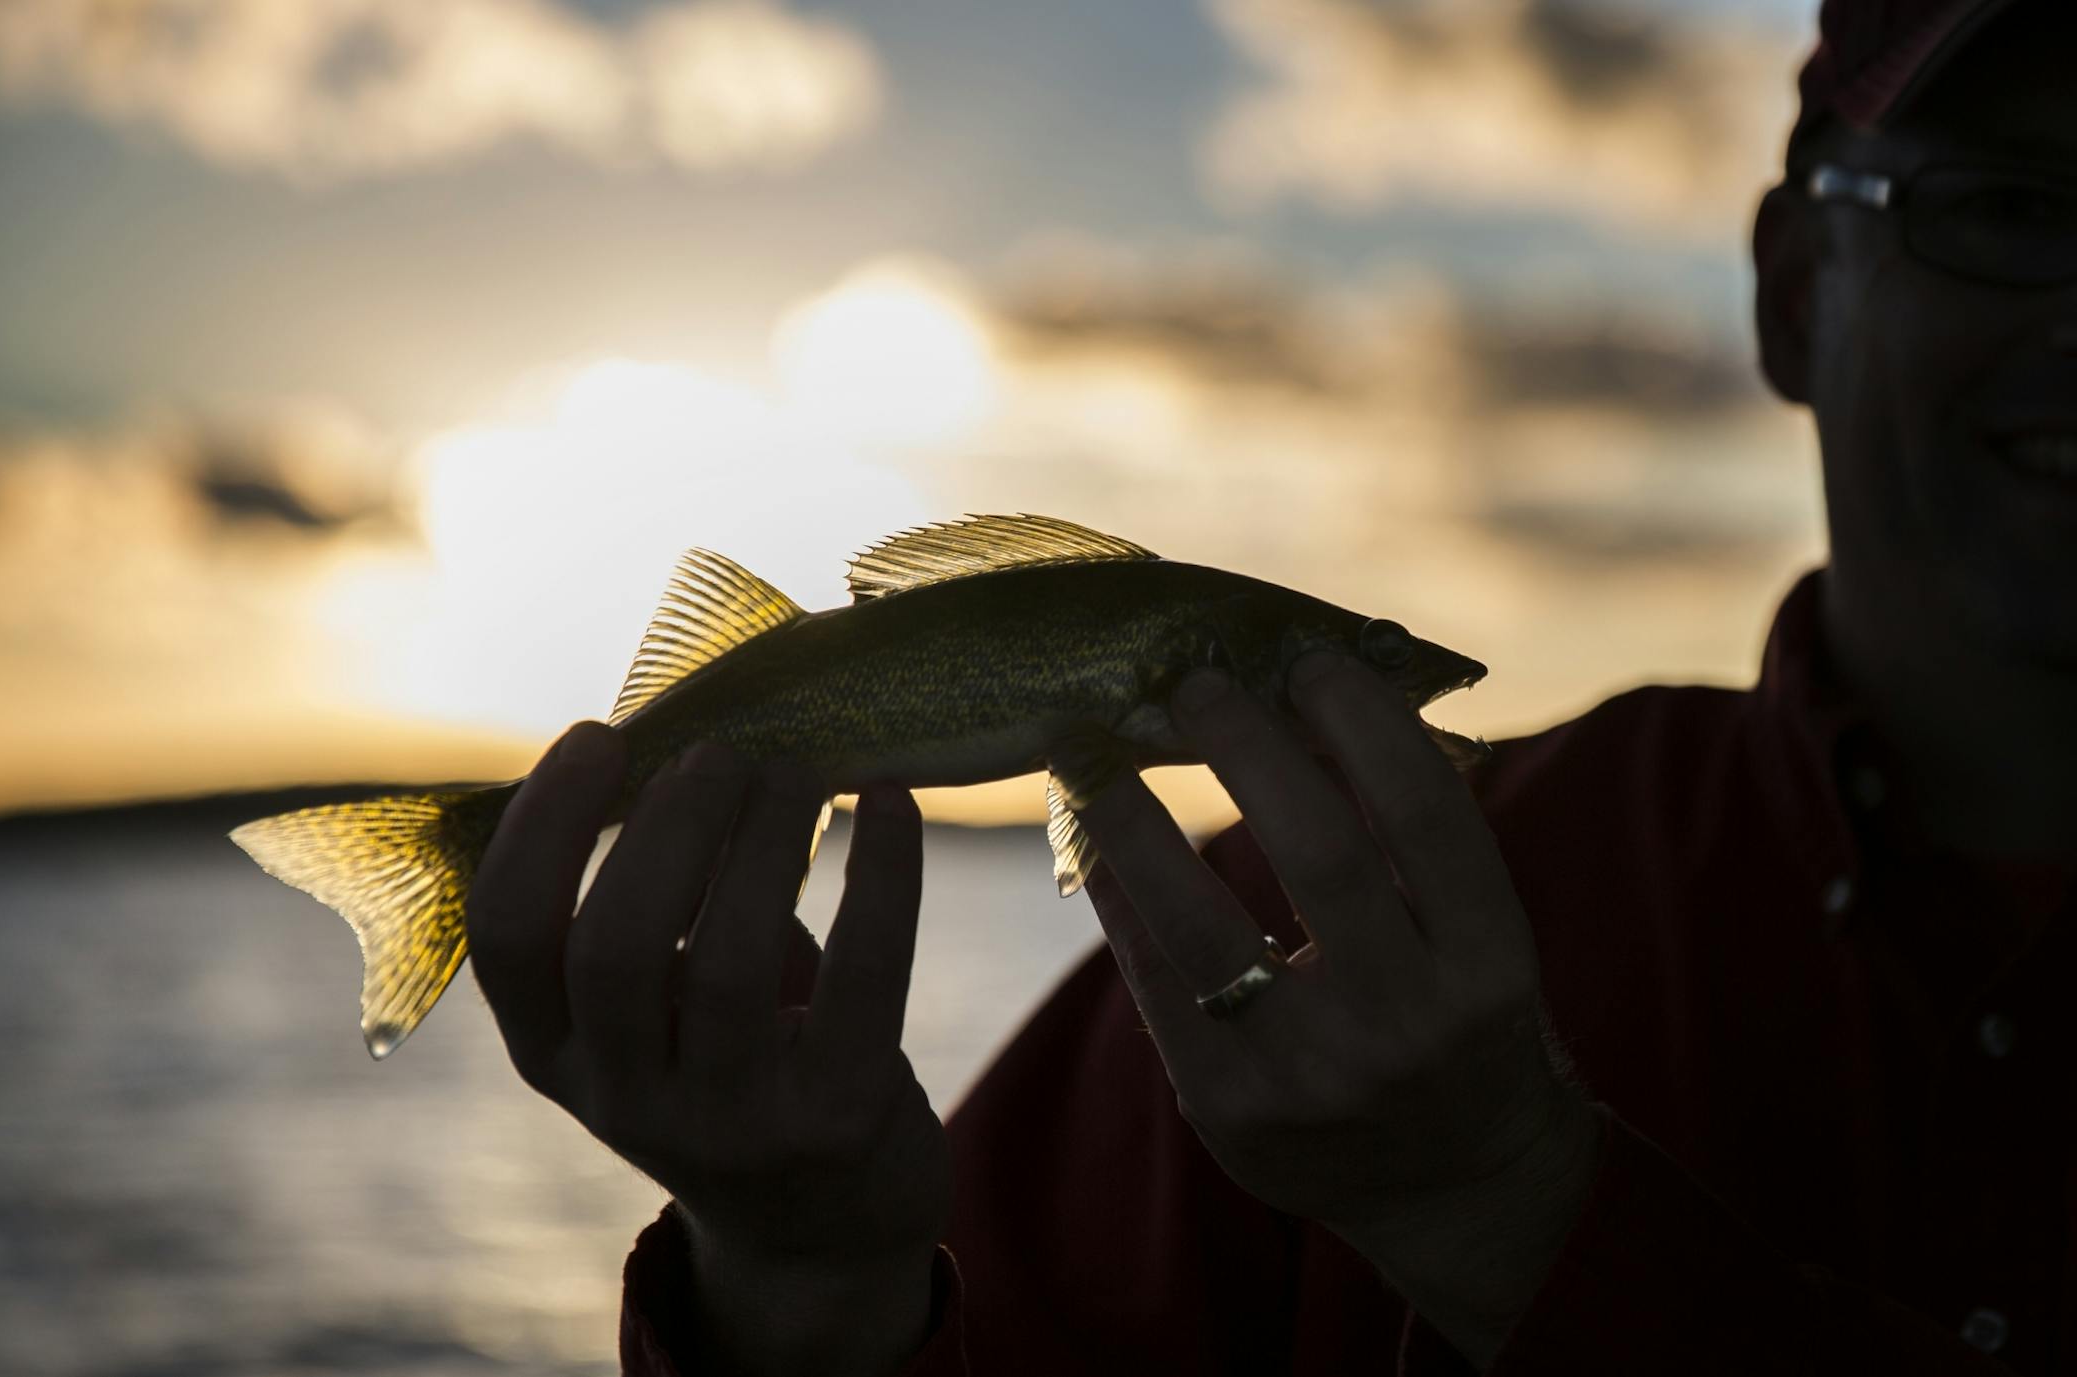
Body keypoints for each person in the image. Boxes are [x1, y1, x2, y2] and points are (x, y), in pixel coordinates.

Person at [462, 0, 2077, 1371]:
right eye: (2010, 207)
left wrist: (1507, 1201)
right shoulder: (1284, 952)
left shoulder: (1325, 966)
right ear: (1798, 290)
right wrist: (802, 1294)